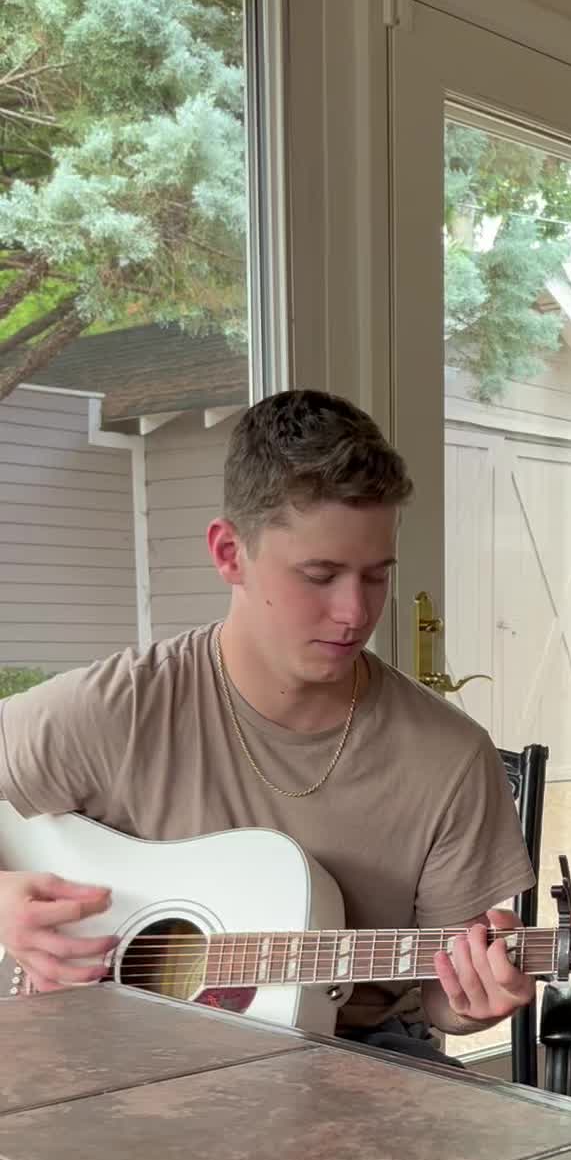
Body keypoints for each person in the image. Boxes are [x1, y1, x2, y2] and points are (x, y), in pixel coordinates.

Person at [0, 389, 535, 1060]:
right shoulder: (119, 708)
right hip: (114, 1056)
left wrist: (474, 999)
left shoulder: (450, 757)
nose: (354, 613)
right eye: (320, 575)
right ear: (230, 552)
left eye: (376, 577)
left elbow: (443, 999)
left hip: (355, 1060)